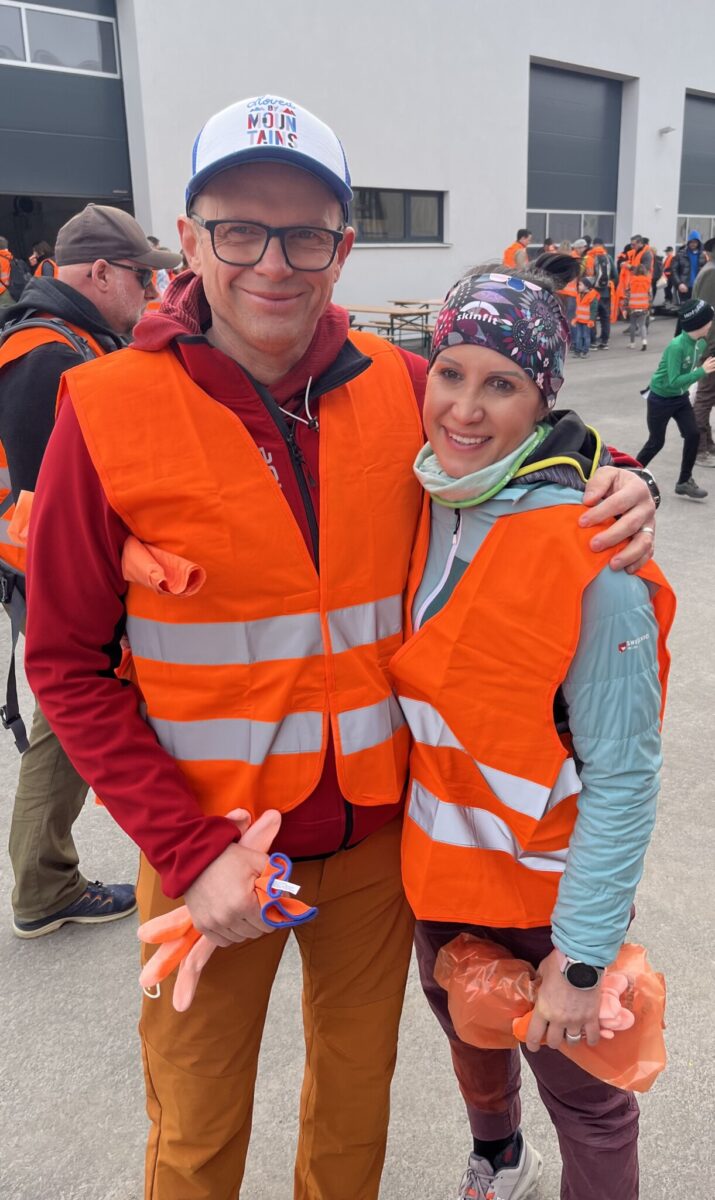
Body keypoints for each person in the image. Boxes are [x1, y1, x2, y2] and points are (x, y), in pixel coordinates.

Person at [24, 96, 655, 1200]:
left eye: (304, 235)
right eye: (239, 230)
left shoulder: (403, 387)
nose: (272, 263)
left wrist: (618, 478)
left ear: (342, 249)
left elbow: (512, 446)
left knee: (355, 1105)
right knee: (196, 1126)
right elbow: (64, 662)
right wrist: (186, 851)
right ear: (190, 239)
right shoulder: (106, 407)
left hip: (376, 846)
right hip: (208, 845)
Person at [388, 259, 674, 1200]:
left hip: (548, 902)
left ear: (542, 397)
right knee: (473, 1038)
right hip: (440, 879)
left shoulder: (592, 552)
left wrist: (581, 960)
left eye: (501, 384)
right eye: (449, 373)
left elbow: (625, 775)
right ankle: (499, 1157)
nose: (465, 409)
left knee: (587, 1099)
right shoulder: (431, 498)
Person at [0, 203, 179, 938]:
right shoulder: (47, 354)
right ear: (100, 273)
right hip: (51, 579)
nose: (152, 291)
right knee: (69, 718)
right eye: (143, 276)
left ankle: (45, 881)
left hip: (44, 572)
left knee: (69, 720)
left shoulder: (68, 338)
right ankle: (45, 886)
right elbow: (56, 499)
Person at [636, 298, 715, 501]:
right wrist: (701, 372)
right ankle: (631, 474)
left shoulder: (701, 343)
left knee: (693, 434)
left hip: (680, 398)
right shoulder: (677, 346)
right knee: (656, 442)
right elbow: (673, 381)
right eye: (709, 321)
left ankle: (684, 481)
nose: (711, 324)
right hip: (660, 399)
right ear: (699, 324)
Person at [693, 239, 715, 467]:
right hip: (711, 346)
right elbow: (708, 315)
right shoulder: (711, 273)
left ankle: (707, 443)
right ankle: (699, 448)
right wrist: (709, 348)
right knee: (705, 397)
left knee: (709, 395)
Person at [585, 236, 615, 348]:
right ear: (603, 245)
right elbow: (615, 275)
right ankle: (604, 341)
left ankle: (593, 341)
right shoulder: (608, 257)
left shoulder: (589, 257)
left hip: (593, 293)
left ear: (593, 245)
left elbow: (586, 276)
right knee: (605, 318)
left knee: (592, 316)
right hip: (606, 293)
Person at [671, 231, 706, 303]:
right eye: (691, 242)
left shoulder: (703, 256)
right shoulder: (680, 254)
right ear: (688, 242)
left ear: (699, 243)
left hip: (698, 288)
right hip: (684, 287)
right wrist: (679, 283)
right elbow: (674, 270)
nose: (693, 244)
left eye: (695, 242)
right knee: (684, 307)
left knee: (697, 308)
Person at [625, 263, 651, 351]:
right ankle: (644, 342)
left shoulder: (632, 280)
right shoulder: (647, 281)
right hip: (643, 306)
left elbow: (627, 294)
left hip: (633, 306)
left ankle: (632, 343)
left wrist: (625, 306)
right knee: (642, 325)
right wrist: (649, 305)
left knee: (633, 324)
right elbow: (650, 294)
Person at [571, 276, 599, 357]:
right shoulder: (579, 295)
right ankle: (578, 351)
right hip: (579, 320)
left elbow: (593, 310)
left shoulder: (592, 296)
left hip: (587, 321)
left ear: (586, 286)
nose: (578, 286)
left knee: (585, 336)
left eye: (580, 285)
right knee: (579, 336)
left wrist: (591, 320)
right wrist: (575, 319)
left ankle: (584, 352)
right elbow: (578, 309)